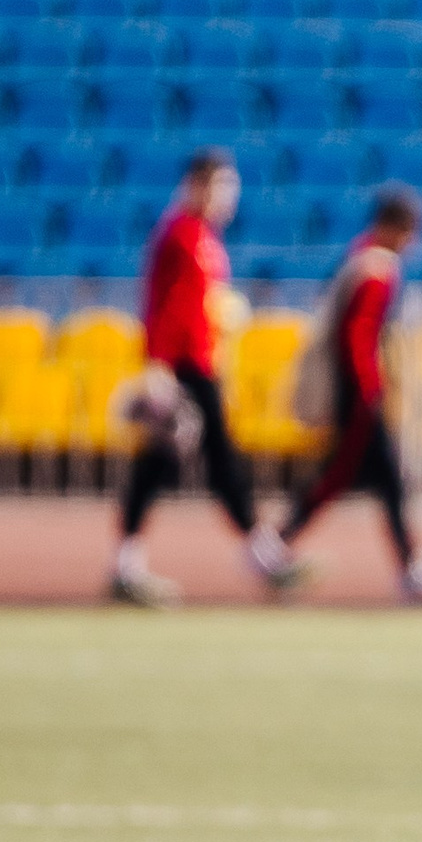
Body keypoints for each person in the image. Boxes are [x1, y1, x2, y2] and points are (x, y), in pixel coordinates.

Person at [250, 185, 422, 605]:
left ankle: (405, 564)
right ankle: (279, 544)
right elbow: (358, 339)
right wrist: (371, 391)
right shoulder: (376, 268)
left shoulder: (358, 260)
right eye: (410, 231)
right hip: (360, 396)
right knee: (358, 478)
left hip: (355, 392)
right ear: (394, 227)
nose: (413, 243)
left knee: (368, 480)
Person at [109, 148, 263, 608]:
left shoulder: (202, 236)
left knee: (187, 459)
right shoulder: (179, 235)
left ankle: (128, 561)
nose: (229, 197)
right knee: (195, 458)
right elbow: (160, 304)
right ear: (198, 185)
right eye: (222, 186)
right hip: (182, 366)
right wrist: (156, 366)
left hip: (198, 361)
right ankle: (259, 551)